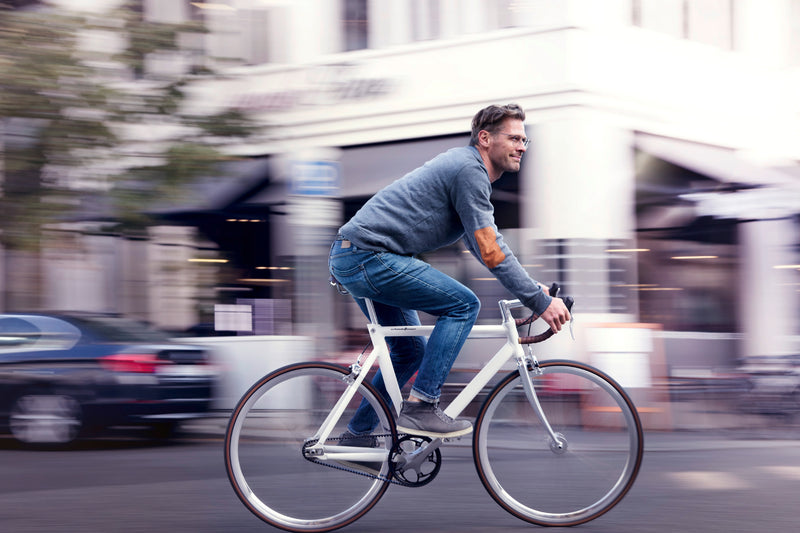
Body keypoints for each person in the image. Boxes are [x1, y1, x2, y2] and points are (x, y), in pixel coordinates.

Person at [328, 103, 571, 443]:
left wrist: (532, 289)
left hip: (360, 255)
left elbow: (483, 245)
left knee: (410, 351)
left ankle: (358, 435)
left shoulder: (467, 172)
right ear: (484, 138)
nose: (521, 147)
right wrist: (539, 301)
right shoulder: (468, 170)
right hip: (368, 256)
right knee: (463, 305)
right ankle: (422, 407)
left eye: (525, 140)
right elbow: (490, 248)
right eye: (514, 138)